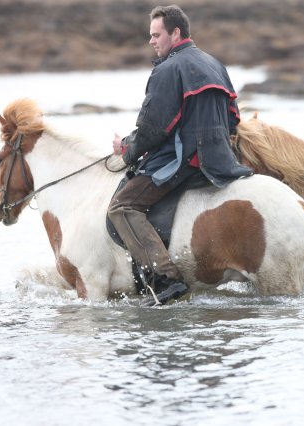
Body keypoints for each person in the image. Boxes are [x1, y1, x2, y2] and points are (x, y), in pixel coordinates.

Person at [108, 5, 253, 306]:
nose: (152, 41)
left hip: (186, 163)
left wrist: (126, 148)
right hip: (222, 162)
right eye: (150, 36)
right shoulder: (215, 65)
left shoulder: (167, 70)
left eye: (157, 35)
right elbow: (233, 120)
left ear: (176, 33)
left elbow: (152, 129)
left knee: (122, 208)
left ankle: (165, 281)